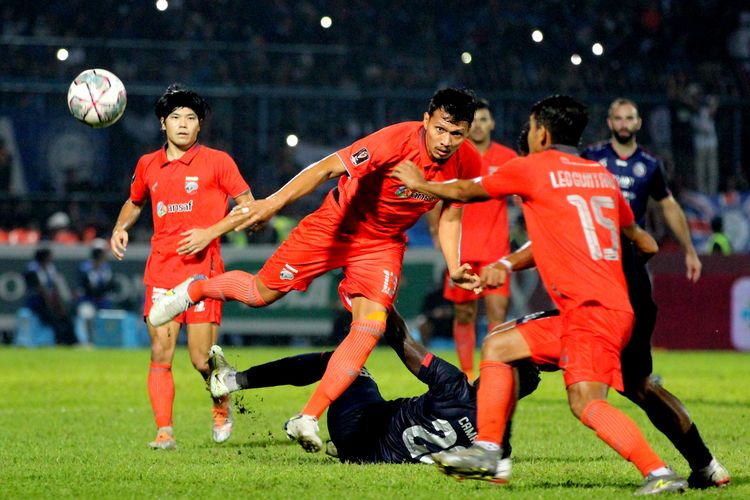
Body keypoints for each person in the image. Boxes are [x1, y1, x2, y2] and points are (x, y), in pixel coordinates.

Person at [148, 88, 485, 453]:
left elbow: (451, 212)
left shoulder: (465, 160)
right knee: (258, 294)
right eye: (440, 130)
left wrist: (453, 264)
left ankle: (307, 417)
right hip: (336, 226)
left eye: (457, 134)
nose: (447, 141)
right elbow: (326, 167)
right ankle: (193, 290)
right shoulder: (393, 141)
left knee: (370, 327)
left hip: (382, 245)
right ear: (426, 119)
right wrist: (274, 203)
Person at [392, 95, 688, 495]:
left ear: (542, 132)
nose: (529, 134)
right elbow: (647, 244)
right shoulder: (600, 176)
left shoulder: (532, 168)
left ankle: (658, 472)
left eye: (531, 127)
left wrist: (418, 184)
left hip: (591, 315)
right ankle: (489, 450)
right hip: (607, 309)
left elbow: (463, 190)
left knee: (586, 402)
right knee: (498, 344)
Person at [582, 98, 729, 488]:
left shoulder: (649, 164)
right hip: (607, 273)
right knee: (638, 385)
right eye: (618, 116)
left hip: (620, 276)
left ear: (639, 122)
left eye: (631, 117)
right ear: (609, 121)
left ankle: (491, 442)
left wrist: (689, 249)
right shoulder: (592, 157)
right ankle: (706, 465)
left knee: (635, 385)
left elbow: (669, 207)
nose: (625, 122)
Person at [207, 309, 541, 478]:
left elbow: (402, 342)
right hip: (378, 456)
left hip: (357, 429)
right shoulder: (497, 441)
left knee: (340, 363)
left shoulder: (454, 385)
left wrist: (382, 299)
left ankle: (234, 380)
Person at [110, 84, 254, 450]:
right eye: (176, 117)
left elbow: (248, 205)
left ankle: (221, 401)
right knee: (160, 353)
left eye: (191, 118)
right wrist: (119, 227)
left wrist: (210, 232)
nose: (183, 124)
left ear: (200, 126)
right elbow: (134, 201)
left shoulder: (218, 162)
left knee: (200, 360)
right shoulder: (147, 164)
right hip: (161, 269)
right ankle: (164, 433)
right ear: (163, 123)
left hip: (204, 271)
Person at [439, 99, 517, 379]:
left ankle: (492, 372)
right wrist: (439, 236)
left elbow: (524, 196)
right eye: (476, 121)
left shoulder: (508, 158)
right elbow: (438, 196)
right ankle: (467, 374)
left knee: (497, 311)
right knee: (464, 314)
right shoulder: (454, 154)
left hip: (496, 249)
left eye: (485, 119)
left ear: (492, 124)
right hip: (463, 249)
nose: (481, 126)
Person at [23, 247, 77, 345]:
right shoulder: (32, 270)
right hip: (37, 304)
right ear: (44, 257)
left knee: (66, 318)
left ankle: (73, 342)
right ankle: (59, 342)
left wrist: (58, 305)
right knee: (54, 320)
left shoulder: (50, 268)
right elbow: (40, 290)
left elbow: (55, 287)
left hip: (51, 302)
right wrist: (51, 305)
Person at [76, 243, 115, 345]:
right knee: (86, 315)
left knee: (109, 316)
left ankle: (107, 341)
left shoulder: (106, 268)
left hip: (102, 301)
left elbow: (110, 286)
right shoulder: (85, 268)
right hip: (88, 300)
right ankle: (87, 342)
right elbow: (88, 288)